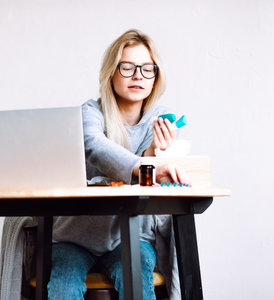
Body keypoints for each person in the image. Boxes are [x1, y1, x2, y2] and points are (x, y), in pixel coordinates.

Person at [48, 29, 189, 300]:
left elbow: (152, 187)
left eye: (147, 69)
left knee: (136, 279)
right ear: (111, 73)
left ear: (155, 77)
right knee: (63, 286)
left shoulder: (162, 121)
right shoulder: (90, 112)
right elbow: (94, 146)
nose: (138, 76)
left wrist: (154, 154)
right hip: (74, 236)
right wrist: (147, 166)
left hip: (132, 236)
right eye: (127, 67)